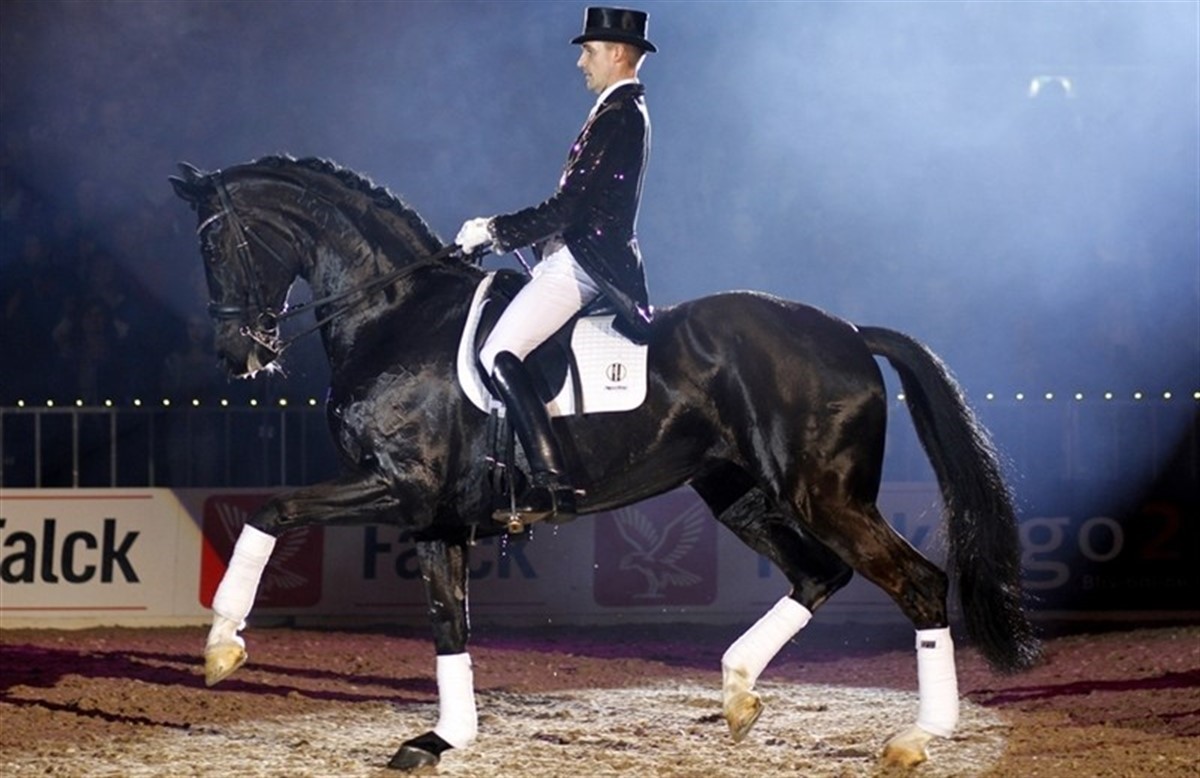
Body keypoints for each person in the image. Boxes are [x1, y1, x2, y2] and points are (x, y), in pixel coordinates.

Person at [455, 6, 657, 521]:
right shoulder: (616, 110)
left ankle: (551, 483)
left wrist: (494, 230)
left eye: (588, 52)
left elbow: (569, 208)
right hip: (575, 254)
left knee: (498, 351)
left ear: (617, 53)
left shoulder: (619, 115)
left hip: (587, 262)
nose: (581, 63)